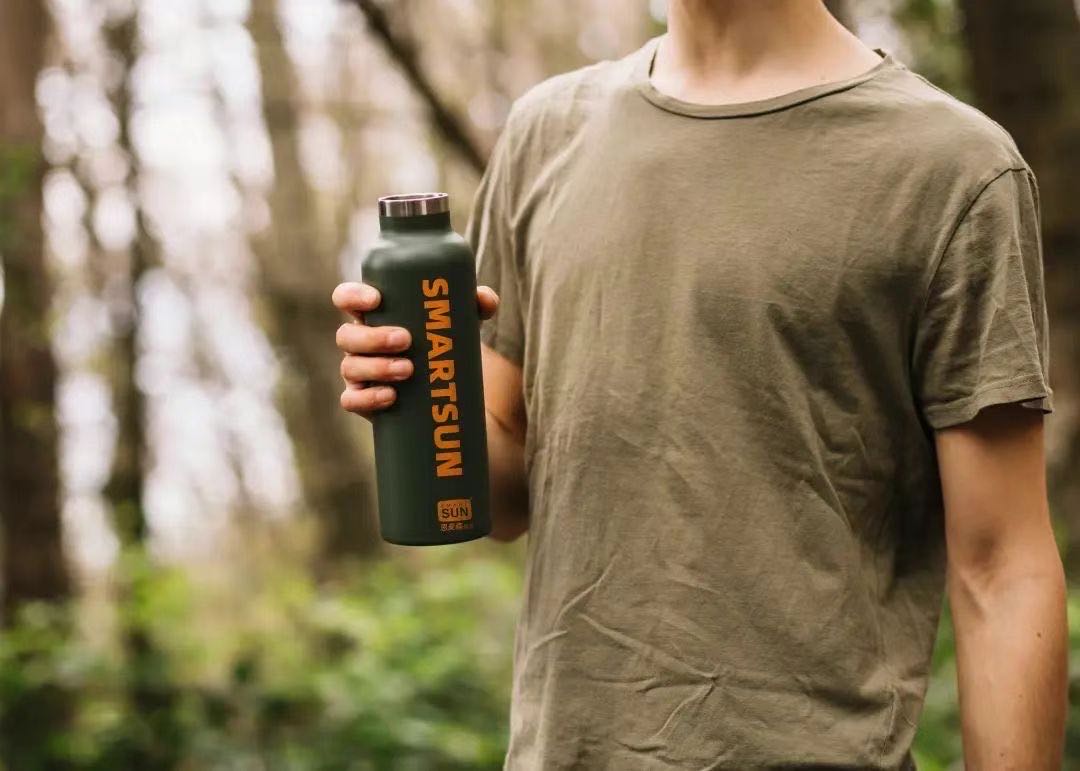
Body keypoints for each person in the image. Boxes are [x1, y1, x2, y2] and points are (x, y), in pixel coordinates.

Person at [332, 1, 1067, 767]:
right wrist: (414, 391)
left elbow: (1001, 569)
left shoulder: (953, 167)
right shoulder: (544, 133)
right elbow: (506, 496)